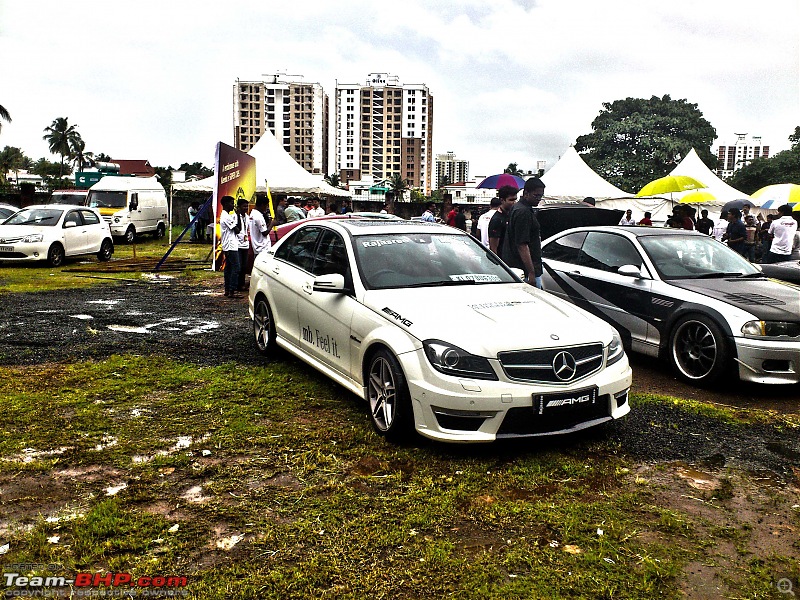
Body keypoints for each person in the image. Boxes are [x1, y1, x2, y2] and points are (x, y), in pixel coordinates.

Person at [502, 177, 545, 288]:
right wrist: (531, 272)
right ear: (526, 193)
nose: (539, 199)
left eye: (541, 196)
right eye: (536, 195)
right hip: (525, 271)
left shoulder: (518, 208)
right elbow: (522, 245)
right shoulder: (523, 212)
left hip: (520, 269)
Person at [219, 196, 241, 298]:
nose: (233, 205)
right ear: (227, 204)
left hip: (229, 245)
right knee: (236, 267)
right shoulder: (226, 217)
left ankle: (228, 289)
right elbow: (237, 230)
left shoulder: (226, 215)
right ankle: (232, 289)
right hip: (230, 245)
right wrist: (238, 216)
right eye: (232, 203)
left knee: (229, 268)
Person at [488, 186, 517, 255]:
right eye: (511, 200)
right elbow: (493, 248)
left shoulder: (510, 215)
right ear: (502, 200)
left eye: (515, 199)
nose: (514, 202)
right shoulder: (497, 219)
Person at [236, 198, 251, 291]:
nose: (246, 208)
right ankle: (237, 285)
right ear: (239, 207)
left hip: (245, 243)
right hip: (237, 244)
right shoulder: (236, 217)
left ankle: (241, 284)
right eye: (244, 206)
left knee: (244, 266)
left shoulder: (247, 217)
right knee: (239, 265)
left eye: (247, 206)